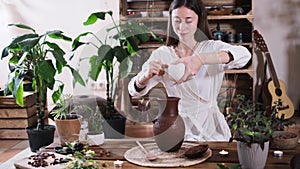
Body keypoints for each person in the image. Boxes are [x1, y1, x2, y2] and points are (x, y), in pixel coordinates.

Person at [128, 0, 251, 141]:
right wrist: (144, 76)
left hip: (212, 129)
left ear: (199, 19)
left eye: (188, 20)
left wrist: (200, 59)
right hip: (178, 129)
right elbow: (134, 91)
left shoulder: (211, 47)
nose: (181, 27)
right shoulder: (163, 54)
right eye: (177, 21)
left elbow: (245, 55)